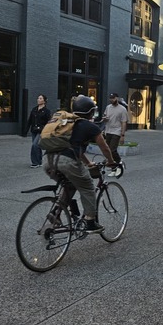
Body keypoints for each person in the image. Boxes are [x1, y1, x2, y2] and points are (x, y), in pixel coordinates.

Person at [44, 95, 117, 233]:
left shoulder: (66, 123)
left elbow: (74, 147)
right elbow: (105, 147)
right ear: (90, 112)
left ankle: (56, 213)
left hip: (48, 161)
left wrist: (88, 163)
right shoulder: (89, 126)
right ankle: (90, 221)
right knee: (88, 187)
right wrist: (111, 162)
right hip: (67, 162)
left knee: (70, 185)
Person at [102, 93, 128, 174]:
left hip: (117, 131)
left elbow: (124, 122)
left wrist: (122, 135)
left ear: (117, 98)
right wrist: (104, 119)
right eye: (110, 98)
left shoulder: (122, 109)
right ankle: (114, 167)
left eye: (113, 98)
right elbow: (105, 116)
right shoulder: (108, 107)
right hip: (108, 130)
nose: (112, 100)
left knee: (112, 150)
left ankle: (119, 163)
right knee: (108, 151)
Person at [26, 94, 52, 168]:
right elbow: (30, 120)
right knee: (37, 146)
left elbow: (49, 122)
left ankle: (35, 162)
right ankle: (39, 161)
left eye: (40, 98)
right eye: (38, 98)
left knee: (34, 145)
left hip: (41, 131)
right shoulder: (34, 109)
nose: (38, 99)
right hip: (34, 130)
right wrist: (25, 131)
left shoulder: (46, 111)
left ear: (44, 101)